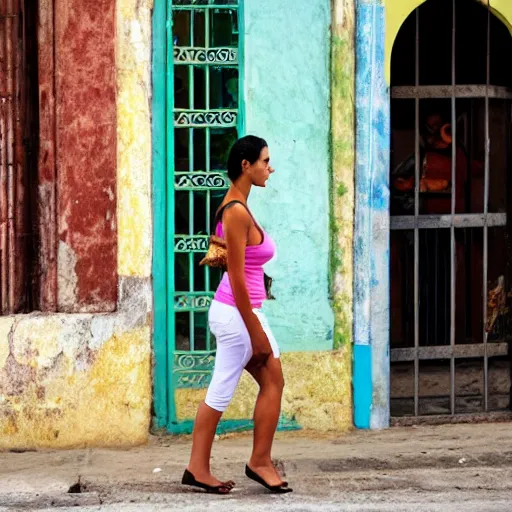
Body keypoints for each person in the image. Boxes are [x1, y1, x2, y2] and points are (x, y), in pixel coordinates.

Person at [182, 135, 292, 495]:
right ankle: (254, 462)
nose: (269, 168)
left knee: (241, 385)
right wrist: (255, 331)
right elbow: (237, 277)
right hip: (237, 313)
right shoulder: (236, 211)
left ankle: (204, 466)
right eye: (265, 161)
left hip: (237, 312)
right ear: (246, 165)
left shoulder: (238, 206)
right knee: (260, 382)